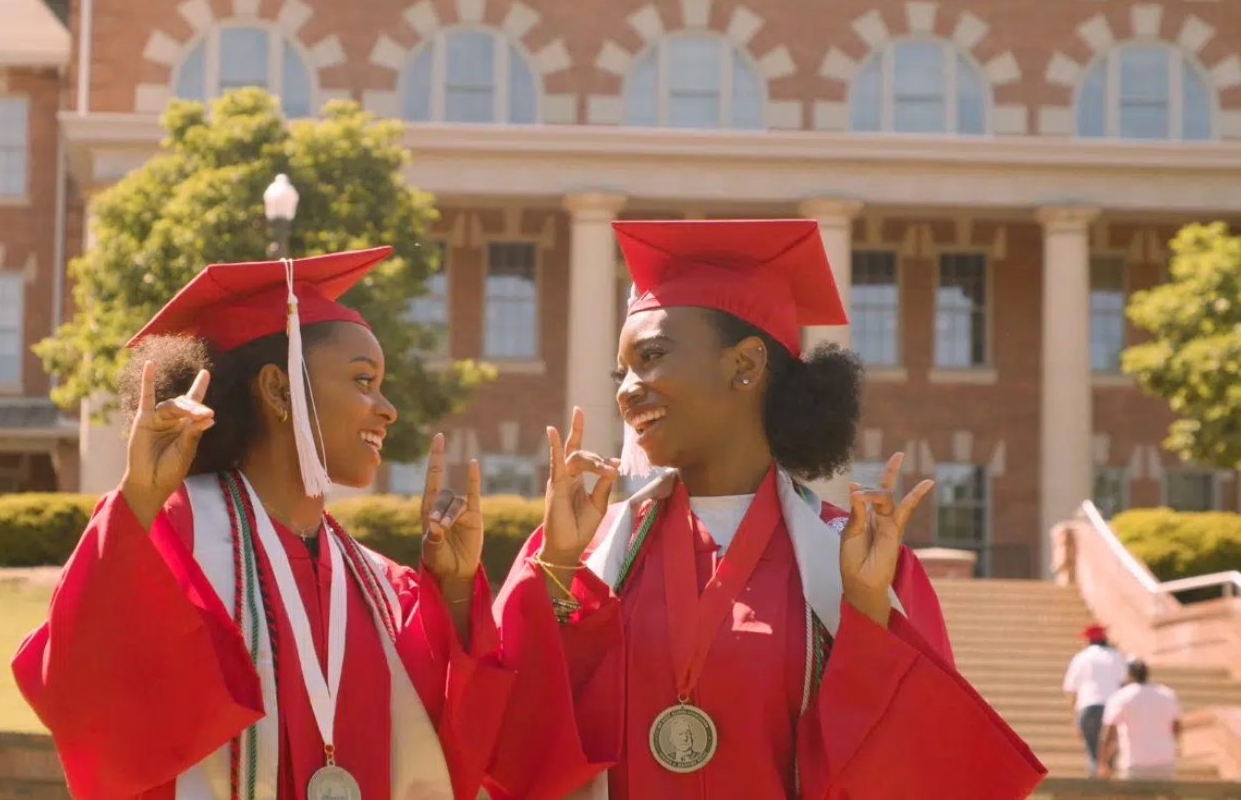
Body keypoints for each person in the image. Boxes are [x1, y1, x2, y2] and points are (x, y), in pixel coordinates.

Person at [486, 220, 1046, 799]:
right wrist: (555, 565)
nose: (628, 389)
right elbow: (511, 735)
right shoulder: (593, 550)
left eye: (651, 357)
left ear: (745, 365)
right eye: (622, 371)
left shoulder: (853, 562)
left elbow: (918, 771)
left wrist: (868, 613)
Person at [11, 246, 511, 800]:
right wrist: (137, 500)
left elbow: (461, 745)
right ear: (277, 390)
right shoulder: (178, 537)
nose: (387, 408)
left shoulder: (378, 584)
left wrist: (458, 588)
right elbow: (83, 683)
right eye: (363, 381)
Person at [1098, 659, 1183, 781]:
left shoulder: (1121, 697)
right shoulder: (1167, 694)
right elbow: (1176, 726)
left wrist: (1103, 762)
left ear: (1129, 675)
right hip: (1164, 759)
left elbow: (1110, 733)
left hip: (1135, 762)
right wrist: (1176, 746)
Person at [1062, 623, 1127, 775]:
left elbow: (1073, 690)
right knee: (1109, 756)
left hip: (1087, 708)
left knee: (1093, 755)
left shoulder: (1080, 658)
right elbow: (1124, 683)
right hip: (1112, 709)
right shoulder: (1116, 656)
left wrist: (1074, 718)